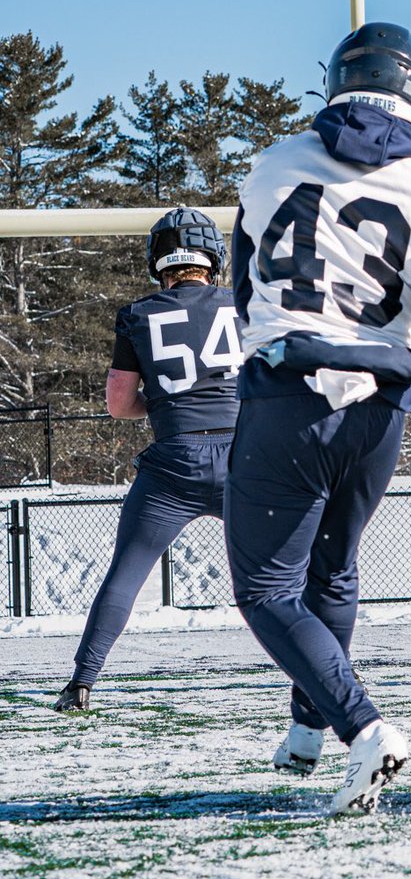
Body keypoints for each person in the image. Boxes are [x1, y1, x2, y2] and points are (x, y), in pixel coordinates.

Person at [226, 21, 411, 816]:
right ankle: (309, 729)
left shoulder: (273, 165)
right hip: (378, 409)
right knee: (332, 574)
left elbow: (245, 288)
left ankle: (361, 727)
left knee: (268, 590)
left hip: (290, 394)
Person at [53, 208, 241, 713]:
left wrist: (161, 407)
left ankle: (82, 683)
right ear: (213, 257)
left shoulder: (139, 314)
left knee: (126, 575)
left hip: (174, 460)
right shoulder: (243, 305)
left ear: (159, 260)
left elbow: (119, 405)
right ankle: (326, 674)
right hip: (244, 459)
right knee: (291, 571)